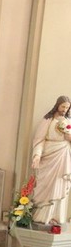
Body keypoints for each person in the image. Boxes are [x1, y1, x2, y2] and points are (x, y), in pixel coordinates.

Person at [31, 96, 71, 224]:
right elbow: (39, 139)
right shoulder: (48, 120)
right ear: (57, 105)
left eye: (67, 107)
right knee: (45, 186)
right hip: (49, 156)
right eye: (63, 106)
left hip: (63, 155)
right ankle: (41, 217)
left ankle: (57, 217)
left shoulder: (68, 121)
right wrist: (37, 155)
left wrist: (68, 135)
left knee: (60, 183)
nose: (64, 109)